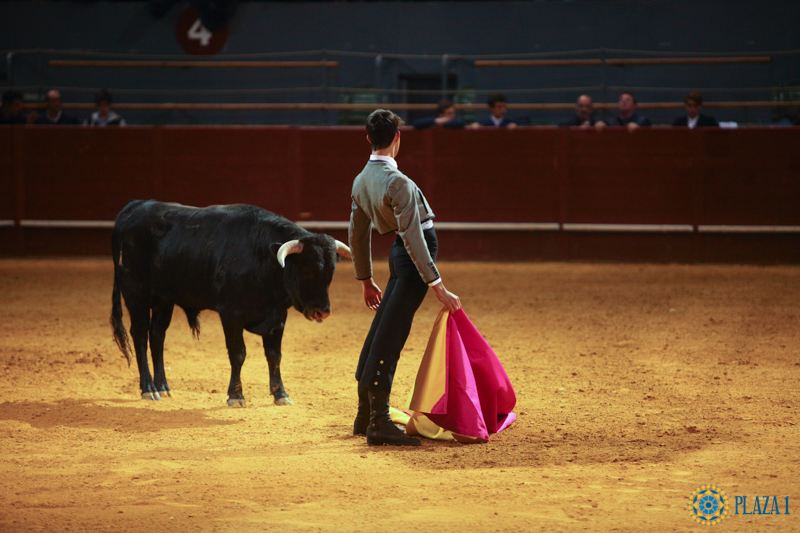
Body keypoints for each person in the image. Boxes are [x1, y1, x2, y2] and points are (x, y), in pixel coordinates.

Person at [349, 108, 461, 447]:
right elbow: (414, 237)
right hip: (411, 257)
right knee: (391, 334)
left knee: (382, 327)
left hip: (399, 255)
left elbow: (357, 233)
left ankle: (364, 414)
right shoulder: (397, 182)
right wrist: (437, 285)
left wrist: (366, 280)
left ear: (368, 138)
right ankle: (379, 422)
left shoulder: (360, 180)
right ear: (397, 139)